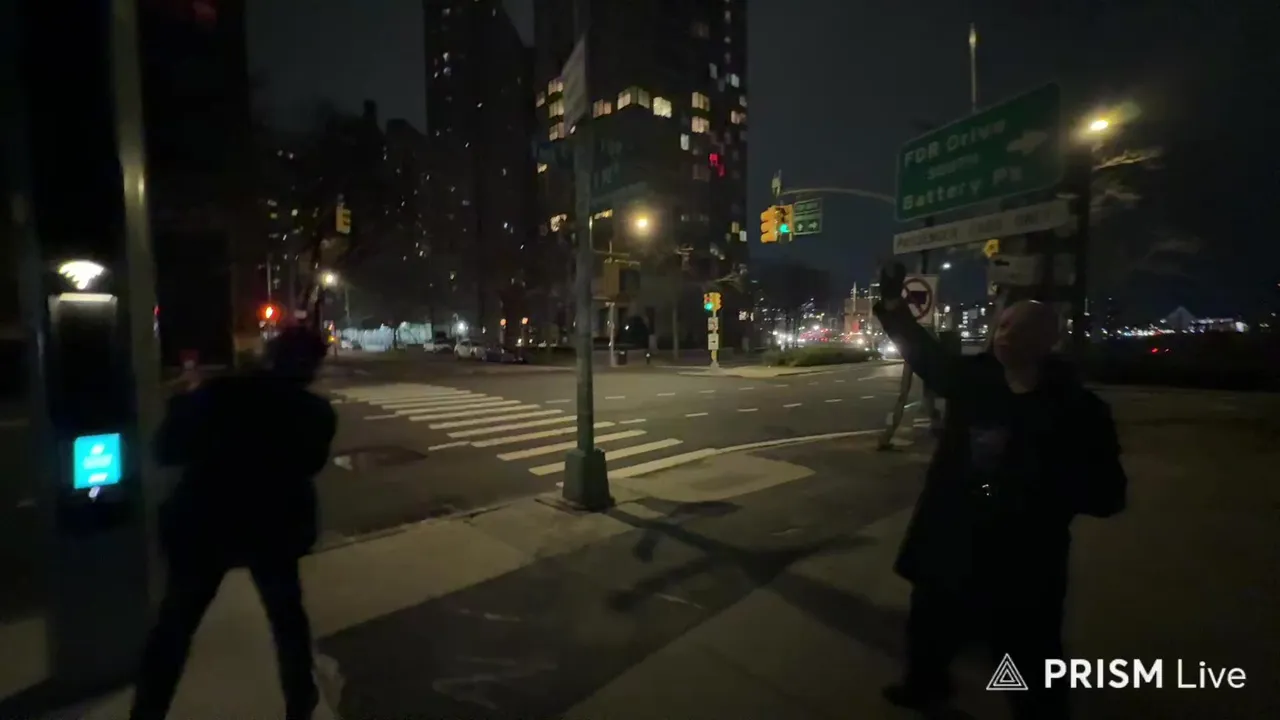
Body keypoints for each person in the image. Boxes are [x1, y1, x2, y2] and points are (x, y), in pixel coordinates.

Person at [873, 263, 1127, 720]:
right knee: (931, 620)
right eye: (1003, 325)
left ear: (1049, 342)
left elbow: (1108, 494)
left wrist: (1036, 489)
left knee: (1029, 648)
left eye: (1020, 329)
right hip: (953, 535)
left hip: (1024, 554)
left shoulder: (1079, 411)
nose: (1005, 335)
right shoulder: (974, 379)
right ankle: (925, 684)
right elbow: (925, 354)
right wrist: (894, 306)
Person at [131, 326, 337, 720]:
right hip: (273, 528)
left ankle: (148, 709)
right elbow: (309, 464)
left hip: (204, 523)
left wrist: (184, 404)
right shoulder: (315, 412)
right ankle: (299, 701)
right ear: (311, 367)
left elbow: (166, 450)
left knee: (175, 626)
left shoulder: (219, 394)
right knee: (287, 620)